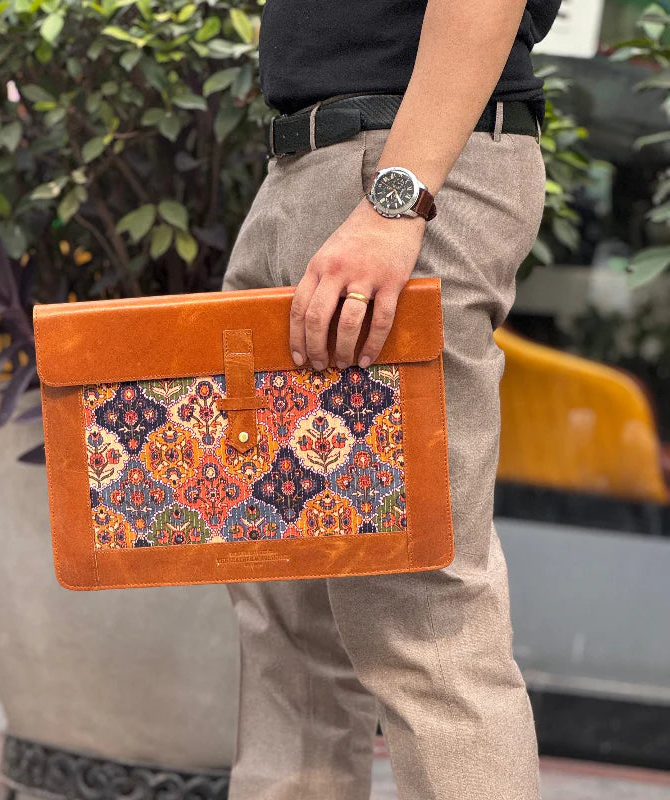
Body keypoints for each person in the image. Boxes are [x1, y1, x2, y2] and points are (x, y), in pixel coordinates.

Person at [221, 0, 560, 797]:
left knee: (425, 619)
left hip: (397, 173)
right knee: (287, 618)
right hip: (311, 166)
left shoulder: (397, 193)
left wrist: (396, 200)